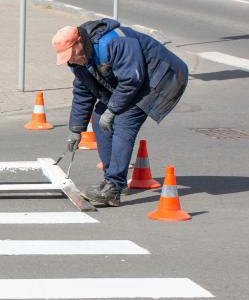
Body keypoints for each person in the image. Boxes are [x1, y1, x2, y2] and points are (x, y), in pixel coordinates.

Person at [53, 18, 188, 207]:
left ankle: (113, 187)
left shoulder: (114, 42)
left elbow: (132, 80)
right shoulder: (78, 61)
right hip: (129, 83)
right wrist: (76, 129)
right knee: (100, 115)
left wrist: (114, 109)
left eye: (71, 55)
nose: (71, 60)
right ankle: (114, 181)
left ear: (79, 43)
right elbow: (83, 92)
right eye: (66, 58)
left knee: (124, 121)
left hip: (158, 77)